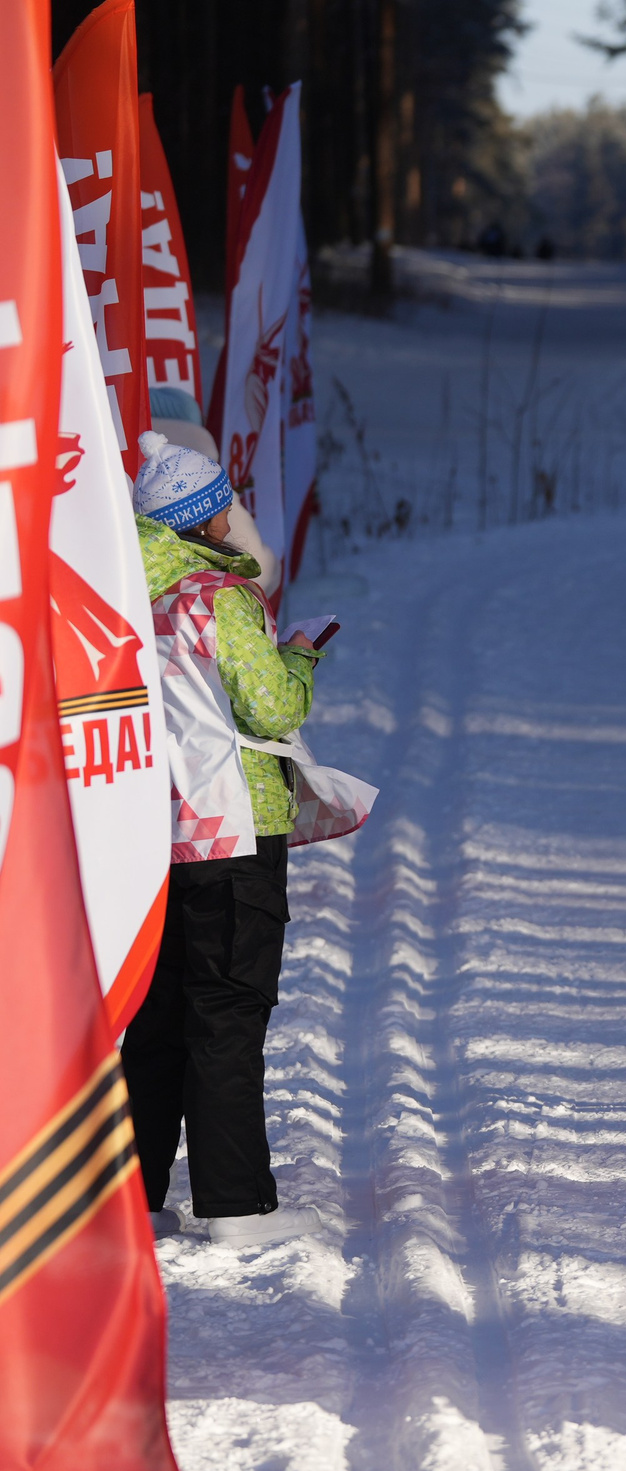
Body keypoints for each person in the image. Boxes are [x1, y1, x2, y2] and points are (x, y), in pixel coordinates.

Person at [124, 431, 328, 1247]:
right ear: (209, 519)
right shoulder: (219, 598)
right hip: (234, 834)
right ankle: (238, 1206)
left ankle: (132, 1201)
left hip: (154, 834)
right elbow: (272, 707)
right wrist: (302, 656)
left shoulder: (126, 599)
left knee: (159, 1022)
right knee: (230, 1016)